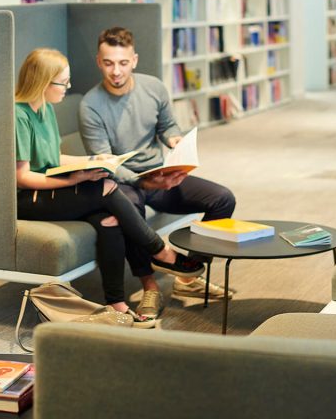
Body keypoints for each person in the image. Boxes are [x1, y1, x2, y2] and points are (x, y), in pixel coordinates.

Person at [14, 48, 203, 323]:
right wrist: (76, 178)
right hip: (28, 200)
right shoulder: (20, 114)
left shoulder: (44, 108)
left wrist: (92, 159)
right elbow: (23, 176)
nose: (68, 88)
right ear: (43, 82)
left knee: (108, 219)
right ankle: (159, 251)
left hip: (50, 190)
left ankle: (116, 304)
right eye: (63, 83)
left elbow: (52, 158)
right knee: (103, 187)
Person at [79, 27, 237, 322]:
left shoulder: (154, 88)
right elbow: (106, 162)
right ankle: (149, 285)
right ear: (99, 62)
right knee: (128, 208)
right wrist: (141, 180)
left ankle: (187, 276)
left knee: (223, 200)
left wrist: (176, 144)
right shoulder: (90, 105)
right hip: (123, 182)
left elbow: (167, 126)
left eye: (123, 63)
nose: (116, 71)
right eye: (109, 63)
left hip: (160, 175)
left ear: (134, 60)